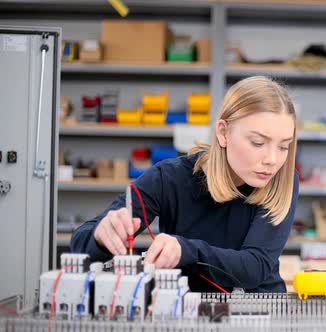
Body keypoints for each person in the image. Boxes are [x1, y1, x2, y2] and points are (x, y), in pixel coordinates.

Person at [71, 76, 299, 293]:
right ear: (223, 133)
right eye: (258, 142)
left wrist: (186, 250)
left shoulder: (282, 179)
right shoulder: (169, 178)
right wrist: (101, 237)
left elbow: (253, 267)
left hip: (260, 310)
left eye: (283, 146)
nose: (273, 159)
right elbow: (81, 242)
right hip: (185, 308)